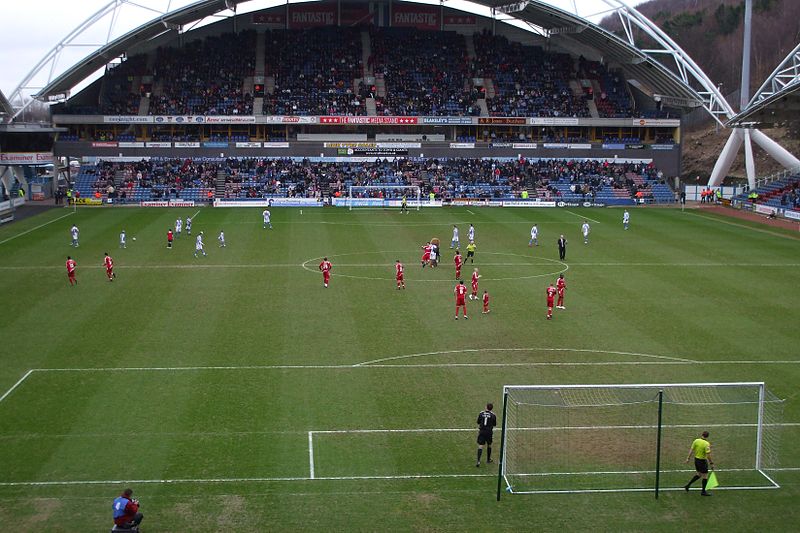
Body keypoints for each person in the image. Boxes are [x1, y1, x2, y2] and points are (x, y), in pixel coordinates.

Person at [684, 431, 714, 496]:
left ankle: (688, 485)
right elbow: (708, 455)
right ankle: (703, 491)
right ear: (707, 436)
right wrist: (711, 463)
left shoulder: (696, 441)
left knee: (699, 474)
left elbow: (691, 450)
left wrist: (688, 458)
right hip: (702, 461)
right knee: (705, 476)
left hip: (696, 460)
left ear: (702, 435)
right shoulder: (706, 444)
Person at [475, 403, 497, 467]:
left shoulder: (481, 413)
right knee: (489, 445)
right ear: (491, 408)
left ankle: (478, 461)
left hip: (482, 431)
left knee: (480, 445)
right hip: (489, 432)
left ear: (486, 407)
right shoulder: (493, 415)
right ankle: (488, 459)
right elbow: (494, 424)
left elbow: (478, 422)